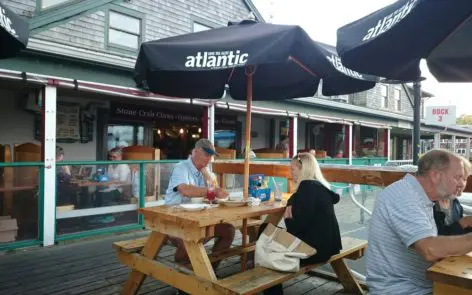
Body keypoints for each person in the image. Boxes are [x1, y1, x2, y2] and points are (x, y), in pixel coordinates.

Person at [366, 149, 472, 295]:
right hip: (401, 289)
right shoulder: (404, 196)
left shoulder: (422, 197)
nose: (462, 183)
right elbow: (430, 250)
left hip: (422, 284)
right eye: (458, 177)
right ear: (435, 175)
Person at [258, 152, 342, 295]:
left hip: (314, 251)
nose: (290, 173)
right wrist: (291, 203)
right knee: (268, 234)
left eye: (293, 169)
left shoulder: (306, 190)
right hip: (329, 247)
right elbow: (295, 199)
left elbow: (295, 230)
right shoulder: (318, 187)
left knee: (264, 231)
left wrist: (287, 218)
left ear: (304, 170)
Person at [165, 139, 234, 282]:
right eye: (206, 154)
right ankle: (182, 281)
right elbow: (185, 190)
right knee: (189, 241)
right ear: (195, 152)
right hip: (172, 219)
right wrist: (212, 191)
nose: (209, 158)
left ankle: (210, 274)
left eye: (211, 155)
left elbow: (213, 192)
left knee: (228, 231)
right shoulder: (181, 167)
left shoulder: (205, 171)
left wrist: (209, 179)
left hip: (198, 219)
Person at [434, 156, 472, 235]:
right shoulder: (429, 204)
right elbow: (434, 240)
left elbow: (459, 233)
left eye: (464, 179)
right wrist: (463, 222)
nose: (462, 184)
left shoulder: (455, 203)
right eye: (457, 177)